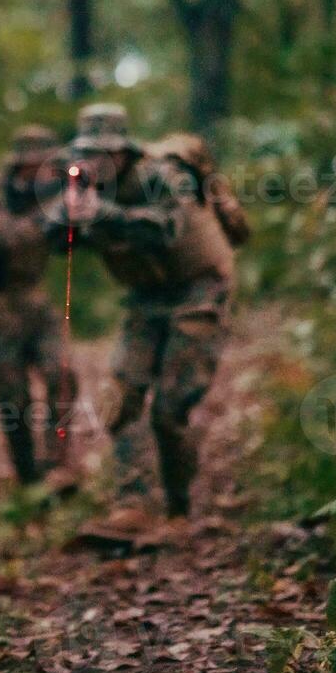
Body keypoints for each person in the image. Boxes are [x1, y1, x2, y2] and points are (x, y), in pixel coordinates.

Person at [52, 103, 248, 518]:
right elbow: (54, 239)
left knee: (170, 410)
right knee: (121, 400)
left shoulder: (163, 177)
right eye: (84, 154)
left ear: (123, 153)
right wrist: (66, 217)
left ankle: (178, 506)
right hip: (146, 297)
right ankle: (132, 504)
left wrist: (102, 214)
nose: (89, 162)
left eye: (99, 154)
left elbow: (167, 228)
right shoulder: (89, 187)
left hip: (198, 292)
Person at [0, 125, 77, 486]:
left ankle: (56, 467)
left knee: (62, 375)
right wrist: (50, 217)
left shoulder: (51, 191)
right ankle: (29, 480)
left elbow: (70, 241)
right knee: (14, 398)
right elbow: (4, 239)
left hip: (32, 296)